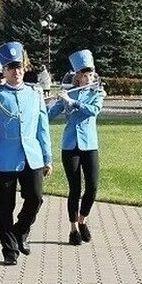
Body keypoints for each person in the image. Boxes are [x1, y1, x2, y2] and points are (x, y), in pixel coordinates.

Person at [0, 42, 52, 266]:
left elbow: (42, 127)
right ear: (4, 71)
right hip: (4, 158)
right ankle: (9, 249)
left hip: (32, 156)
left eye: (19, 67)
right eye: (11, 68)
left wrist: (48, 157)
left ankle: (20, 231)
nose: (16, 71)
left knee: (35, 198)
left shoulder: (34, 93)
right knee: (4, 206)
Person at [48, 50, 104, 246]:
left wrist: (73, 102)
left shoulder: (97, 93)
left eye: (90, 74)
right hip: (70, 145)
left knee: (92, 187)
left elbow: (93, 111)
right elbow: (50, 114)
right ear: (77, 76)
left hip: (89, 145)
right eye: (84, 74)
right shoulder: (68, 93)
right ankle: (73, 229)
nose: (87, 77)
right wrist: (42, 103)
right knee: (75, 188)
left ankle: (83, 220)